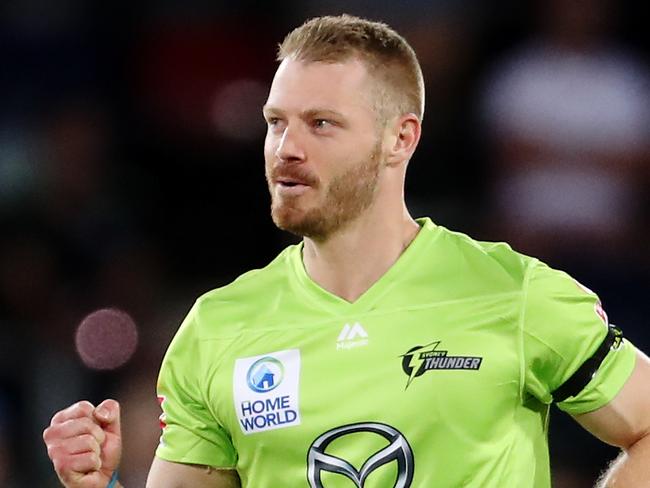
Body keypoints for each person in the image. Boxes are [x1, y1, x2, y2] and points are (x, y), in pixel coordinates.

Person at [42, 14, 650, 488]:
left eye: (321, 123)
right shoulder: (218, 327)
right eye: (276, 122)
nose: (286, 148)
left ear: (400, 138)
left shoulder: (511, 293)